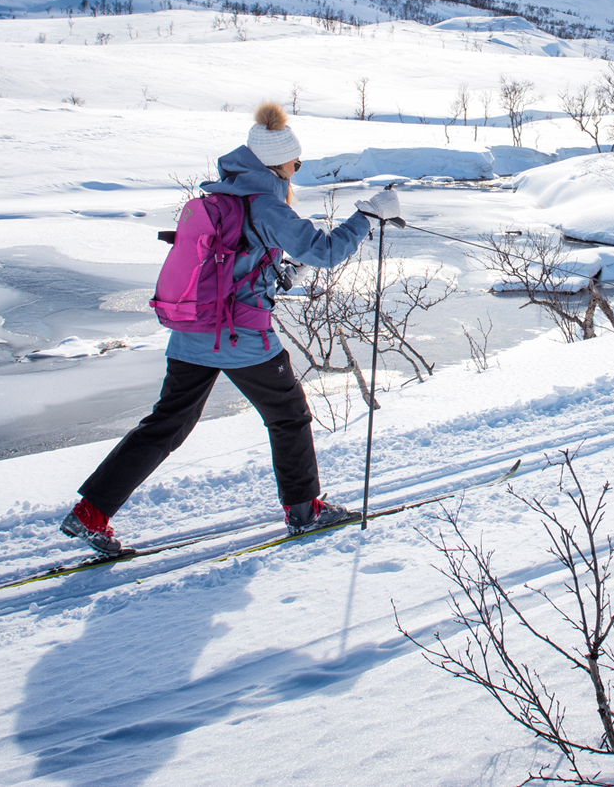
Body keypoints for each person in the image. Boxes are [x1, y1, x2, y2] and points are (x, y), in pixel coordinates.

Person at [60, 102, 404, 554]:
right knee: (289, 415)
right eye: (295, 164)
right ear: (277, 165)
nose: (296, 172)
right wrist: (367, 216)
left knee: (166, 423)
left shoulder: (222, 197)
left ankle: (90, 512)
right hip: (240, 337)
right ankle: (304, 511)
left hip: (191, 330)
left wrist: (278, 273)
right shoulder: (266, 205)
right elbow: (324, 251)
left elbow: (233, 263)